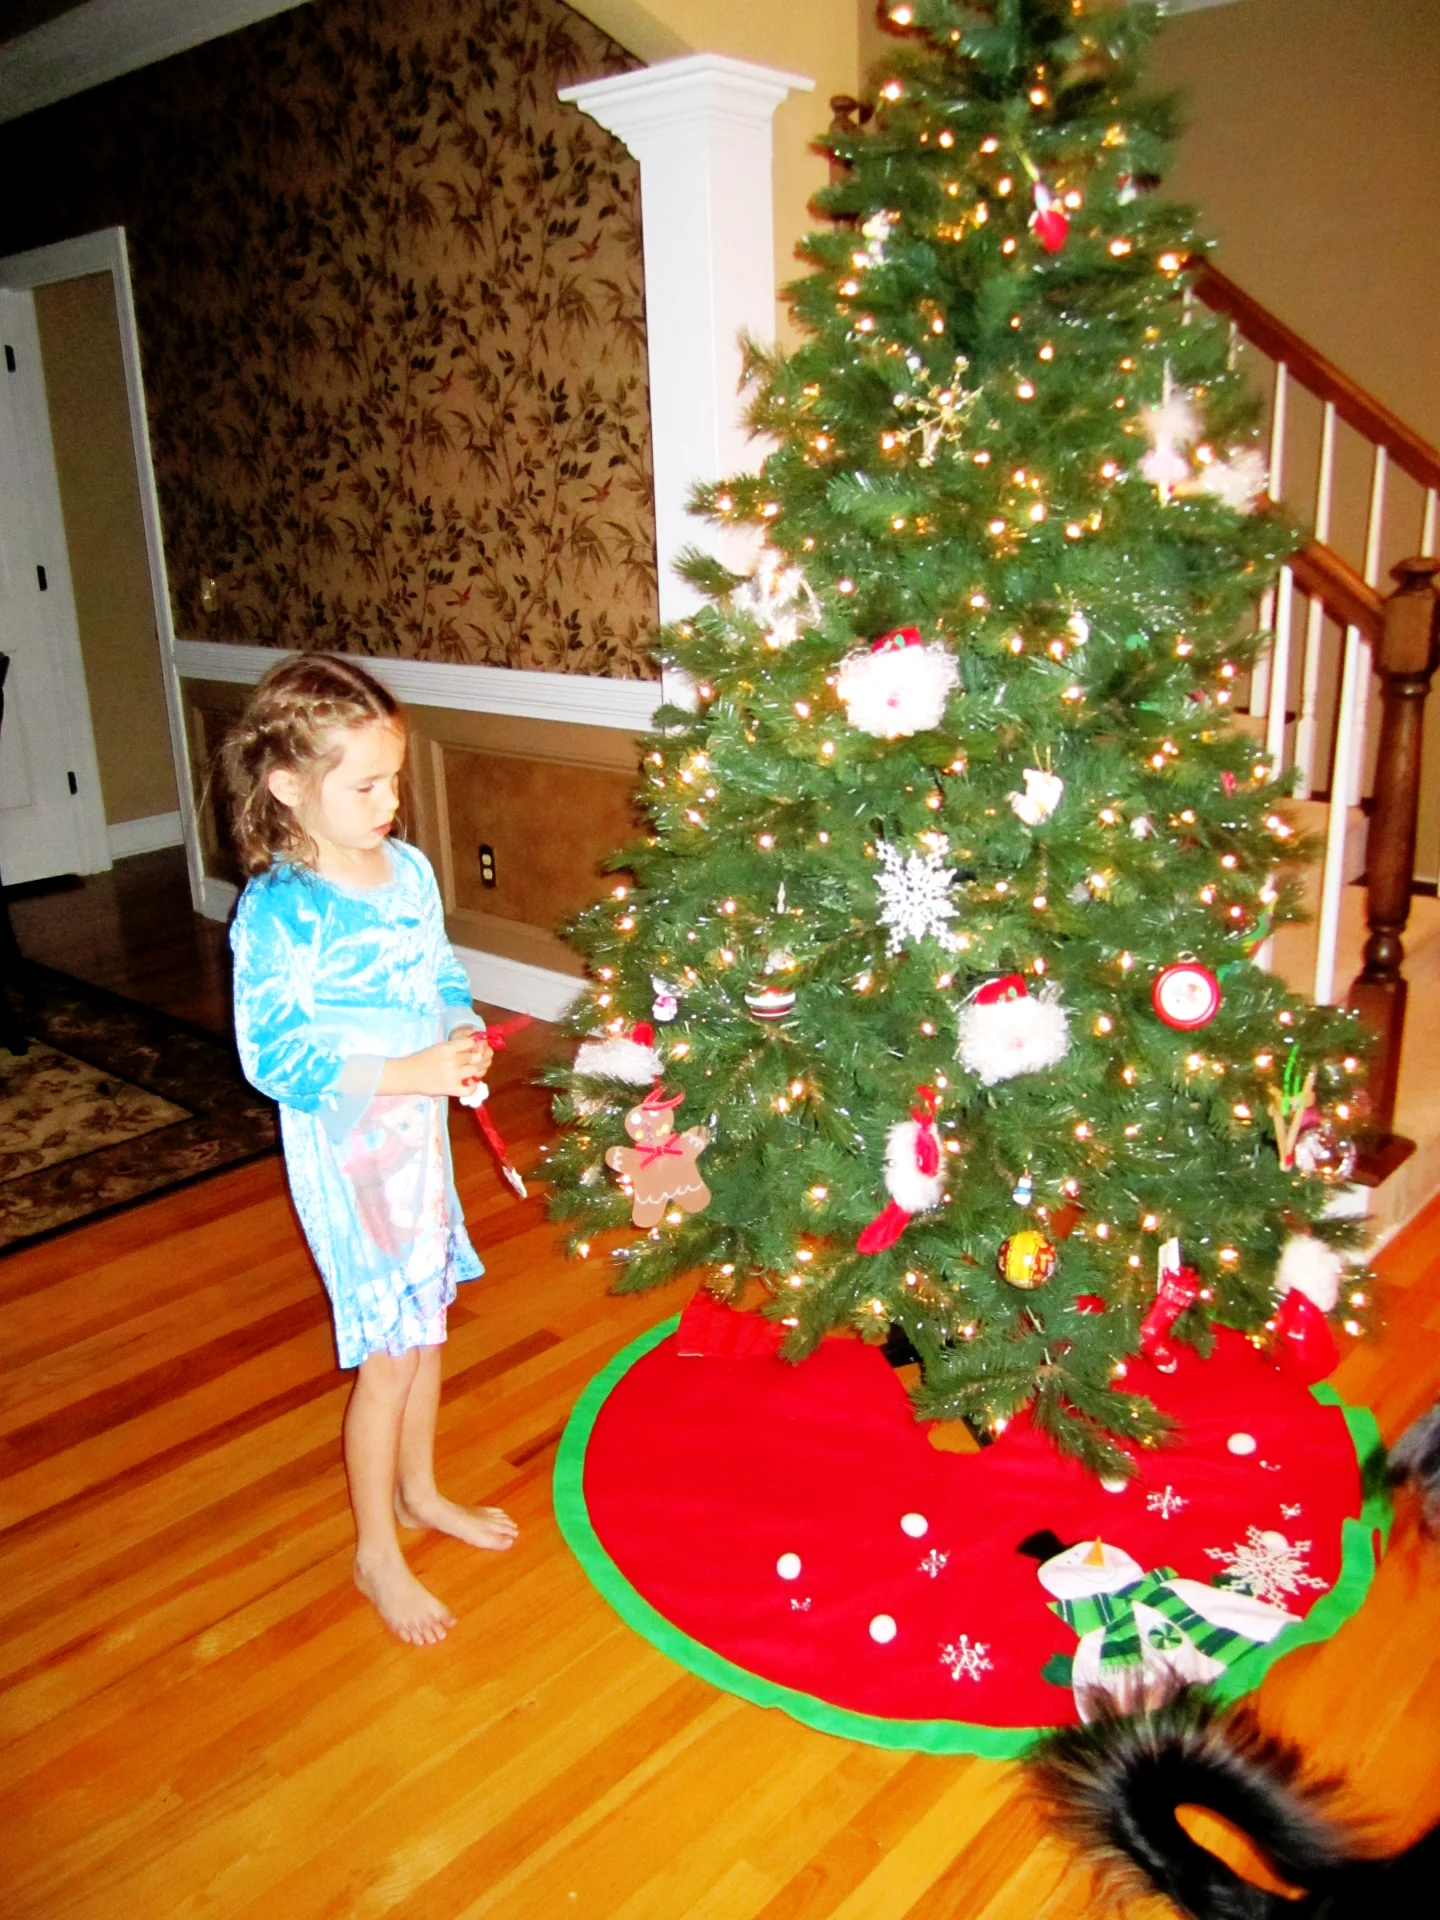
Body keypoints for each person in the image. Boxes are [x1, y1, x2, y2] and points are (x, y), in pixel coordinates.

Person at [224, 654, 517, 1645]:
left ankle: (419, 1492)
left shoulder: (411, 873)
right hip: (351, 1155)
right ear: (287, 786)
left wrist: (460, 1028)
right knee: (389, 1354)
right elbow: (276, 1058)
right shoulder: (281, 908)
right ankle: (375, 1553)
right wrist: (412, 1070)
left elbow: (438, 973)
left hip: (417, 1141)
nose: (391, 802)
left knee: (426, 1327)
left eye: (394, 779)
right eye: (366, 786)